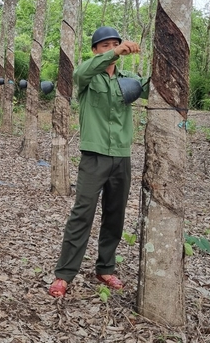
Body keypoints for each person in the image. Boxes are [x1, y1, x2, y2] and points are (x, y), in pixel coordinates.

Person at [49, 26, 149, 298]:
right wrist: (115, 52)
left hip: (122, 157)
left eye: (114, 44)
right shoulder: (87, 77)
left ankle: (105, 267)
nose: (111, 49)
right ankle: (64, 274)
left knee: (115, 216)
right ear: (95, 50)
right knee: (82, 213)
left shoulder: (128, 79)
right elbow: (80, 73)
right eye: (105, 46)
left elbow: (150, 89)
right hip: (94, 157)